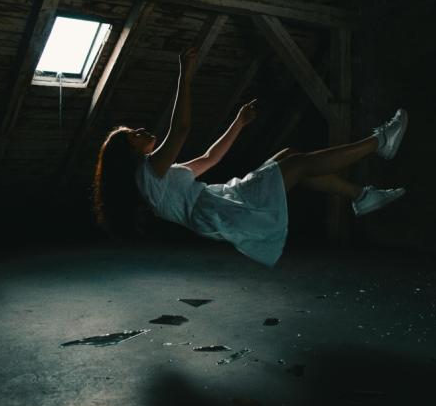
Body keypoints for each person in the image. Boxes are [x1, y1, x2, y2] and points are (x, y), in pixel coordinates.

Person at [93, 46, 408, 267]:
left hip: (220, 201)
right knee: (297, 165)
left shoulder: (158, 177)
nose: (141, 130)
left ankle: (361, 196)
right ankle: (379, 142)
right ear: (128, 153)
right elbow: (181, 129)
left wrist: (239, 122)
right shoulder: (148, 171)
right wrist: (184, 78)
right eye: (133, 134)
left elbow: (209, 158)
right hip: (220, 210)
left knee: (290, 156)